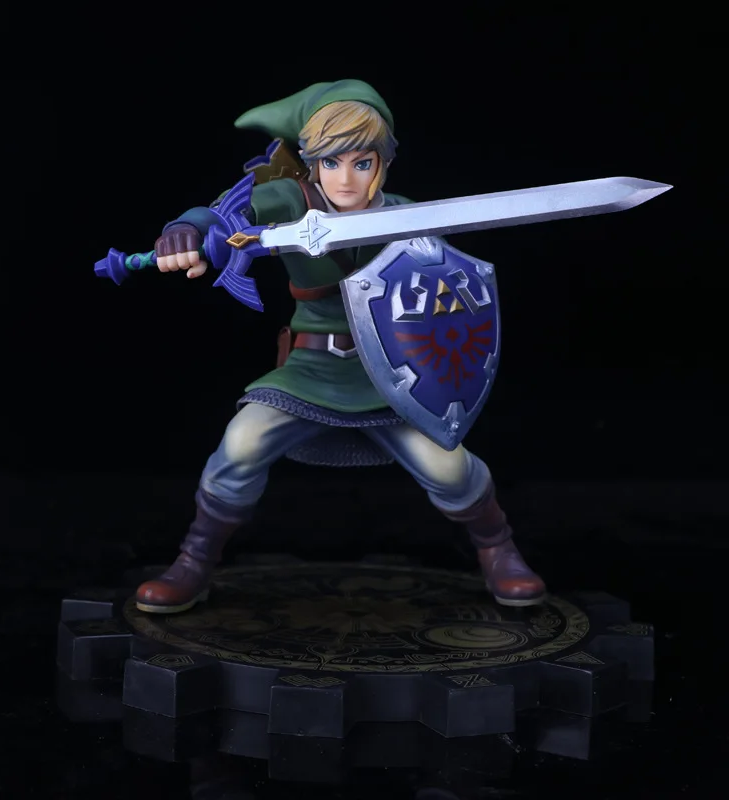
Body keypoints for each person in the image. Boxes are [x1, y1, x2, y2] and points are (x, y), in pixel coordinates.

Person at [134, 80, 546, 614]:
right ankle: (193, 561)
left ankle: (498, 549)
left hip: (395, 373)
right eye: (331, 163)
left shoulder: (408, 215)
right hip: (309, 367)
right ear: (311, 164)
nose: (346, 179)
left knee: (449, 468)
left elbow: (443, 297)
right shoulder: (291, 201)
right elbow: (230, 215)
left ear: (384, 163)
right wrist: (187, 230)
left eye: (362, 162)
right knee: (240, 444)